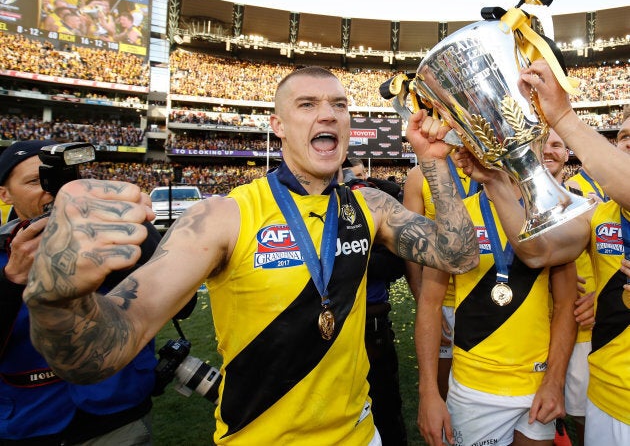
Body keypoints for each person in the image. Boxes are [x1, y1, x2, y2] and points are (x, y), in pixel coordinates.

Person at [23, 67, 479, 445]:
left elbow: (458, 255)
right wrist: (58, 298)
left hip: (360, 435)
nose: (329, 115)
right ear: (278, 126)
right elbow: (99, 350)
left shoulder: (369, 205)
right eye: (307, 105)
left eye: (339, 105)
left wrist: (434, 160)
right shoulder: (223, 216)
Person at [452, 60, 630, 445]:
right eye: (624, 136)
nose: (628, 141)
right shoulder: (594, 212)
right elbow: (536, 251)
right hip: (609, 395)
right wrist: (494, 182)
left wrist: (563, 116)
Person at [0, 140, 161, 444]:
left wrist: (137, 234)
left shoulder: (109, 229)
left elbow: (181, 305)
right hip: (29, 422)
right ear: (4, 194)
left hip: (118, 413)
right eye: (36, 181)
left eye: (63, 180)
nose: (52, 191)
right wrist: (13, 278)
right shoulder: (6, 250)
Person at [416, 166, 577, 446]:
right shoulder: (454, 218)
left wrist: (555, 381)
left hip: (537, 384)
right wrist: (429, 391)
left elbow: (566, 305)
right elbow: (429, 304)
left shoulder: (552, 215)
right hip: (473, 388)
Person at [343, 158, 408, 445]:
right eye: (353, 179)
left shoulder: (374, 206)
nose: (360, 185)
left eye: (363, 178)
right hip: (329, 329)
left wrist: (348, 258)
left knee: (385, 406)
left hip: (374, 324)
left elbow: (395, 265)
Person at [404, 156, 479, 401]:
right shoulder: (419, 176)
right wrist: (420, 299)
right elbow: (410, 243)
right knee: (442, 394)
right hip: (442, 301)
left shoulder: (491, 169)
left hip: (484, 297)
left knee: (483, 388)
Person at [543, 129, 596, 445]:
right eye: (543, 145)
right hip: (531, 328)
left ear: (567, 154)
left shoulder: (587, 204)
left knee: (581, 413)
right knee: (537, 415)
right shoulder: (511, 204)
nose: (549, 151)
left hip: (578, 327)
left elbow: (608, 262)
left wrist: (600, 297)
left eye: (557, 145)